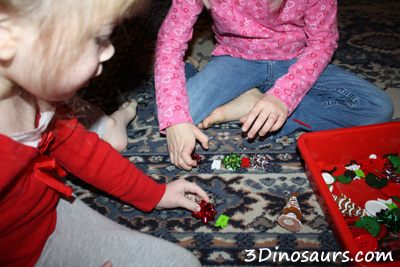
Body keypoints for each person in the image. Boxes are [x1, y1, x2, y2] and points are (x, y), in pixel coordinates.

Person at [0, 0, 209, 266]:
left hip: (47, 214)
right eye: (96, 40)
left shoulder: (37, 96)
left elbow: (85, 153)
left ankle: (109, 125)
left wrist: (156, 194)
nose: (109, 51)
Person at [154, 0, 394, 171]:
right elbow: (170, 44)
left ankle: (253, 103)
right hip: (235, 58)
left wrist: (284, 96)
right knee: (172, 114)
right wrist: (175, 119)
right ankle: (190, 68)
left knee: (377, 109)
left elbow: (323, 42)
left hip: (297, 60)